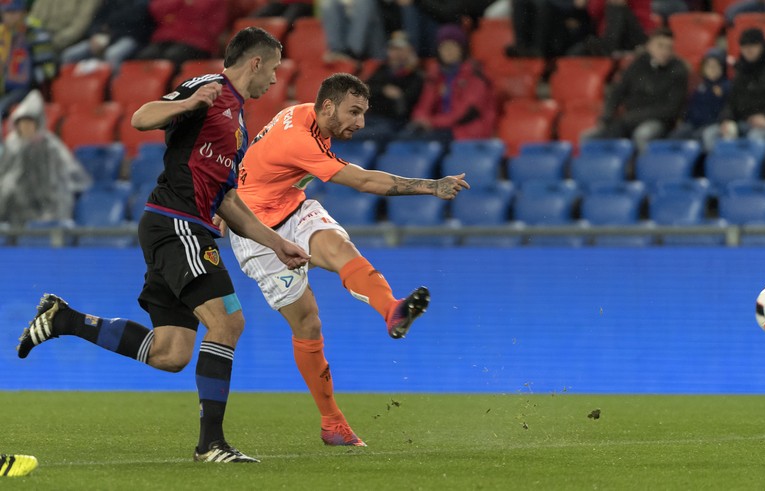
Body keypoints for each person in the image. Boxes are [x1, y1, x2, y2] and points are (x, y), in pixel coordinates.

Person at [16, 27, 311, 464]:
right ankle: (211, 445)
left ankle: (66, 320)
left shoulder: (238, 121)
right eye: (273, 68)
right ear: (256, 62)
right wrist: (188, 103)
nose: (274, 79)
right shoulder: (209, 89)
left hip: (177, 227)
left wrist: (275, 242)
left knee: (171, 354)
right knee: (228, 323)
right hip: (178, 225)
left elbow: (228, 200)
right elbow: (141, 117)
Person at [228, 73, 470, 446]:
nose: (360, 122)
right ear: (328, 107)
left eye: (363, 113)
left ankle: (392, 309)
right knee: (307, 324)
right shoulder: (299, 138)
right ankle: (332, 422)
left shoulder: (306, 116)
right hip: (256, 232)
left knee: (342, 250)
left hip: (290, 206)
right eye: (354, 112)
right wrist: (430, 186)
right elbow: (363, 182)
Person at [583, 27, 688, 151]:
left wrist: (633, 117)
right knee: (588, 137)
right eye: (660, 46)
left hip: (659, 121)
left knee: (642, 134)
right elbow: (617, 91)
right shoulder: (637, 64)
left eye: (669, 48)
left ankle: (643, 169)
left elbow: (671, 109)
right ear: (649, 46)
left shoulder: (678, 70)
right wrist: (607, 116)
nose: (665, 51)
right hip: (629, 119)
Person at [0, 90, 92, 225]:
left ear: (37, 123)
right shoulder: (11, 145)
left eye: (29, 123)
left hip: (46, 206)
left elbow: (65, 177)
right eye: (22, 123)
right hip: (16, 207)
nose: (25, 127)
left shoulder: (51, 146)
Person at [404, 24, 497, 143]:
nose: (448, 52)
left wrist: (432, 122)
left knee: (416, 141)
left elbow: (465, 113)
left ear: (461, 49)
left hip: (467, 131)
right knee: (402, 138)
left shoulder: (475, 75)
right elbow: (424, 104)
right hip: (439, 127)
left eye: (452, 47)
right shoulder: (435, 74)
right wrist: (420, 119)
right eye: (444, 47)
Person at [354, 33, 424, 144]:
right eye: (393, 49)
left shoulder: (415, 76)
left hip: (393, 123)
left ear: (408, 52)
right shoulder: (382, 69)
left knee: (362, 133)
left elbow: (404, 106)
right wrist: (383, 89)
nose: (395, 54)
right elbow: (364, 90)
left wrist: (397, 95)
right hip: (372, 116)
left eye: (400, 50)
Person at [60, 0, 155, 73]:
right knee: (69, 55)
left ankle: (111, 91)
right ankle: (70, 91)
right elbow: (97, 19)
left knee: (113, 54)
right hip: (105, 36)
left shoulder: (141, 1)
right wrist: (95, 34)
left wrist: (110, 28)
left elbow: (136, 18)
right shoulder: (109, 1)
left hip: (132, 37)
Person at [0, 0, 56, 118]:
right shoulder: (2, 32)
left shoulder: (35, 32)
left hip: (26, 89)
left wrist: (29, 76)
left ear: (23, 12)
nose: (8, 17)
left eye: (13, 12)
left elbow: (49, 69)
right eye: (6, 12)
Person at [670, 48, 731, 150]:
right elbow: (690, 106)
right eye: (709, 66)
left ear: (722, 68)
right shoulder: (700, 86)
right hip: (693, 123)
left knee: (697, 138)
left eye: (715, 66)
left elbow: (725, 109)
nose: (712, 69)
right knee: (675, 136)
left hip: (711, 124)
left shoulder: (726, 86)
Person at [136, 0, 226, 68]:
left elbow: (216, 25)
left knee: (174, 56)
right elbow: (156, 10)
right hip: (166, 38)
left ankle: (173, 90)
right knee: (146, 56)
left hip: (197, 42)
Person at [29, 0, 101, 52]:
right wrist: (34, 37)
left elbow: (79, 27)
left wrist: (53, 42)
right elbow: (34, 19)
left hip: (72, 42)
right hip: (42, 40)